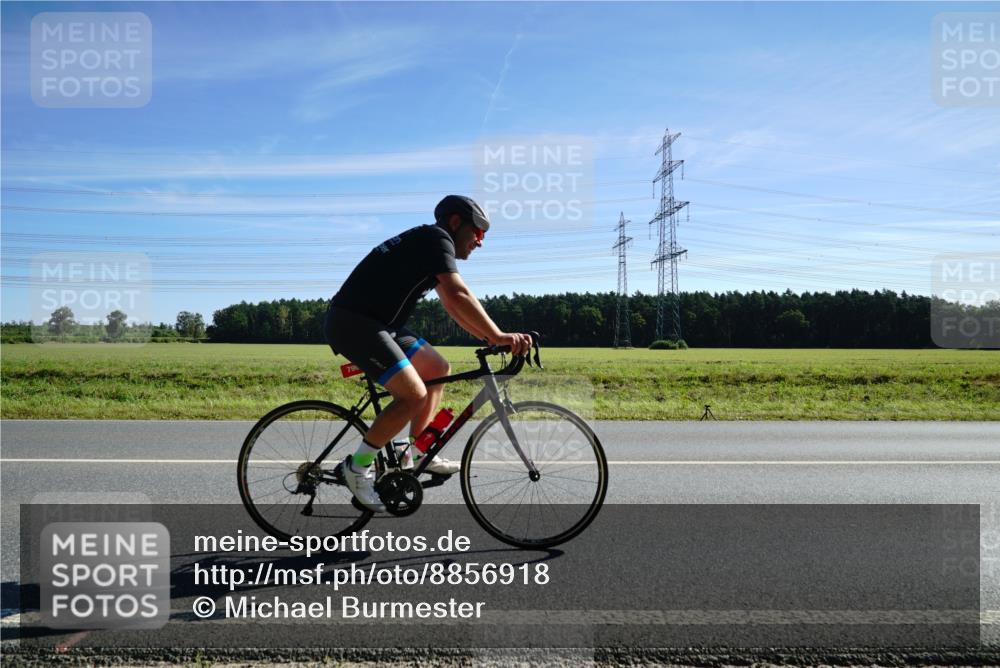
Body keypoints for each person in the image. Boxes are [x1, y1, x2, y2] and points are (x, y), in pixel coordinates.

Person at [324, 195, 533, 512]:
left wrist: (490, 339)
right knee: (413, 395)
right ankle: (357, 467)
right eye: (478, 232)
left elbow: (452, 304)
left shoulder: (429, 244)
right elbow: (458, 294)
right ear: (455, 223)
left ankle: (418, 450)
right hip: (353, 323)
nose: (480, 241)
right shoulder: (436, 239)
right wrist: (498, 336)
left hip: (381, 324)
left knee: (437, 367)